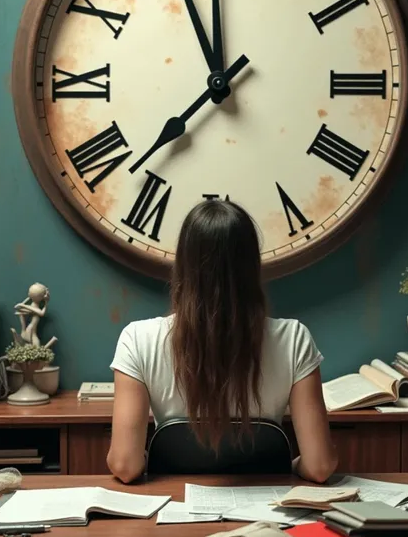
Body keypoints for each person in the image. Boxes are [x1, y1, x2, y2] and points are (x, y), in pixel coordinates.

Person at [107, 200, 337, 483]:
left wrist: (154, 460)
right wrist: (288, 466)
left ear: (184, 264)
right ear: (252, 265)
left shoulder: (137, 340)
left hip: (171, 508)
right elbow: (320, 466)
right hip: (264, 514)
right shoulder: (294, 339)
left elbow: (125, 465)